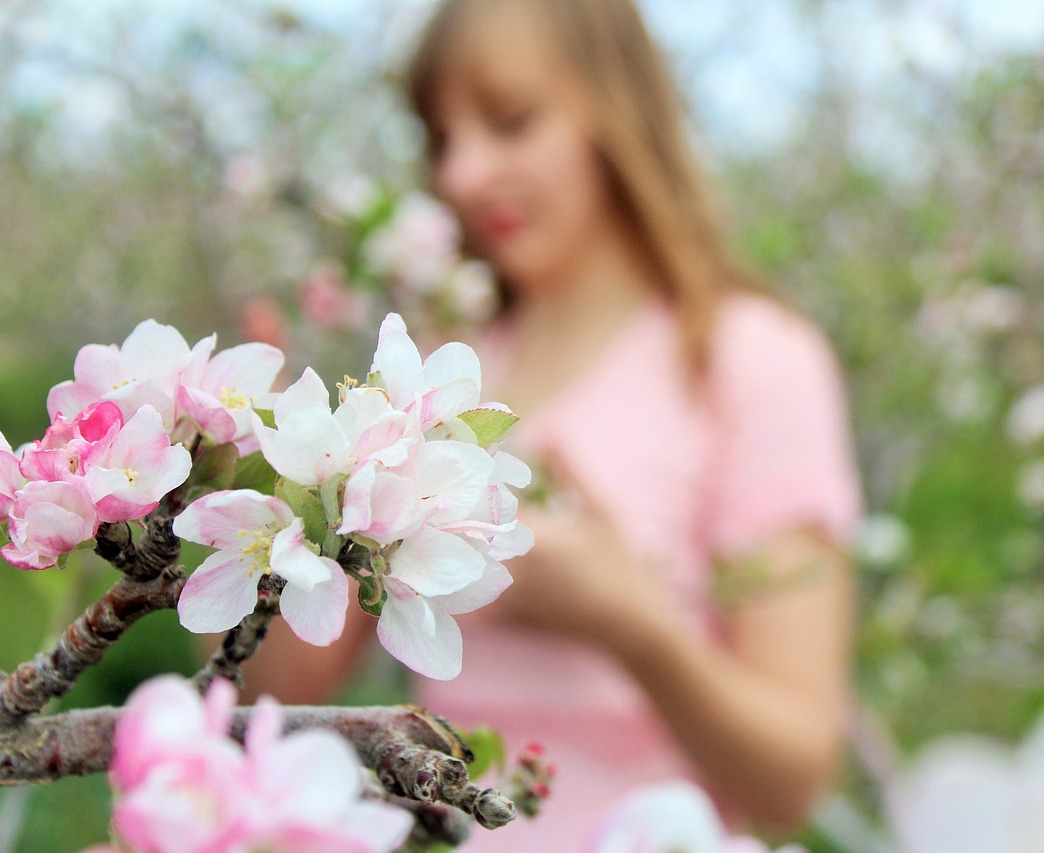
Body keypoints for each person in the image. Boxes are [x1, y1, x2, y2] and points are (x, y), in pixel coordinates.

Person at [244, 0, 862, 847]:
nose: (460, 174)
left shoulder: (749, 357)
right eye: (442, 138)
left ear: (617, 111)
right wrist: (288, 476)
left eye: (510, 121)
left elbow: (794, 775)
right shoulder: (439, 370)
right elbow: (275, 699)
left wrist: (632, 623)